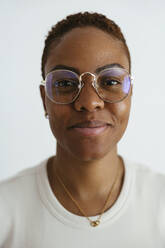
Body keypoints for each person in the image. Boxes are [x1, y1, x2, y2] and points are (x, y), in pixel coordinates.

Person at [0, 12, 165, 248]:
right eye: (66, 84)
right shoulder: (6, 210)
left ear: (130, 95)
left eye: (109, 82)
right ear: (44, 99)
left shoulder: (160, 205)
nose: (89, 102)